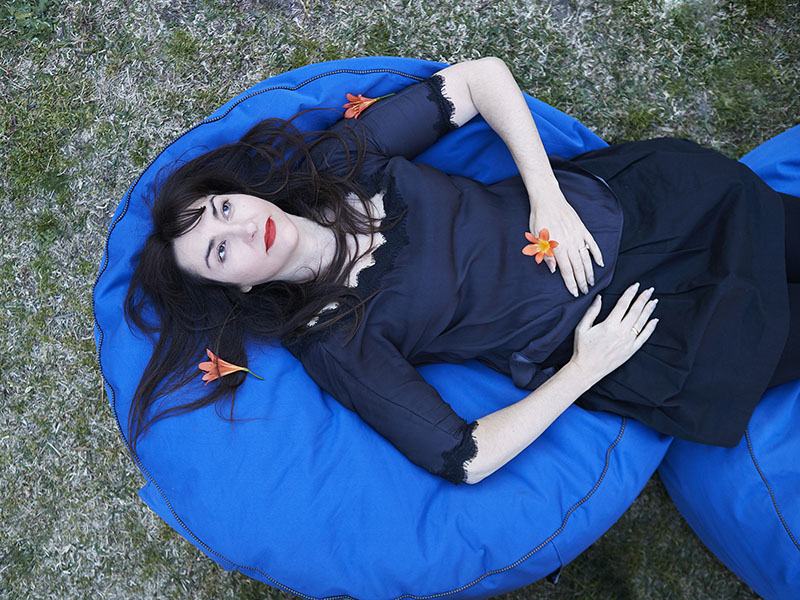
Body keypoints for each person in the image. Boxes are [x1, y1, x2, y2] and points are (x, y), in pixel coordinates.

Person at [126, 57, 800, 485]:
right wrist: (585, 369)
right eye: (220, 250)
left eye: (221, 207)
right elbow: (463, 458)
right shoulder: (335, 339)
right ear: (238, 286)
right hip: (643, 326)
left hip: (643, 209)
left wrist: (546, 196)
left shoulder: (337, 164)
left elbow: (481, 78)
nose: (240, 225)